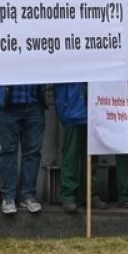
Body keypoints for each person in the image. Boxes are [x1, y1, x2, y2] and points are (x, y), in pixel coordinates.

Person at [0, 84, 46, 215]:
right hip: (9, 104)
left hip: (34, 102)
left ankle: (28, 196)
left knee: (33, 152)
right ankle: (8, 197)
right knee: (8, 151)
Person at [51, 83, 87, 214]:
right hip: (72, 107)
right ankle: (69, 195)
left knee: (92, 155)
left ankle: (90, 193)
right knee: (71, 155)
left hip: (92, 107)